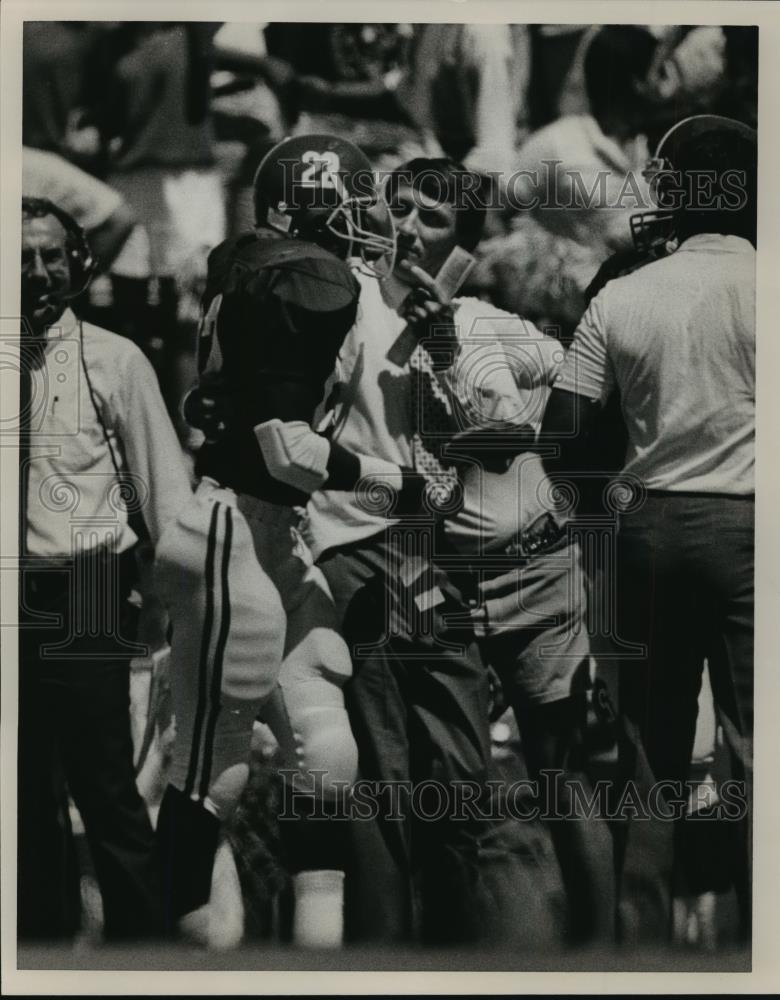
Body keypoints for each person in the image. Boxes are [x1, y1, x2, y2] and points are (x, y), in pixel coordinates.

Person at [153, 133, 416, 948]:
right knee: (213, 763)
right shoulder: (306, 279)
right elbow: (286, 447)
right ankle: (167, 957)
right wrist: (400, 481)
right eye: (357, 201)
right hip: (234, 529)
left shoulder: (261, 267)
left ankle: (318, 955)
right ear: (310, 206)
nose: (371, 220)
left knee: (324, 738)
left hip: (274, 538)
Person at [541, 115, 756, 943]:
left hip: (646, 525)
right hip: (753, 521)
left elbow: (558, 440)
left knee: (646, 746)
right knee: (752, 738)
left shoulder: (622, 293)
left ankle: (637, 944)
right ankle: (749, 933)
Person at [17, 197, 192, 941]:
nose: (37, 273)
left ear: (78, 263)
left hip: (87, 582)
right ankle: (38, 949)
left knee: (105, 784)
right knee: (22, 792)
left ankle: (141, 951)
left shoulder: (114, 359)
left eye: (52, 256)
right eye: (21, 258)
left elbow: (164, 492)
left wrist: (184, 604)